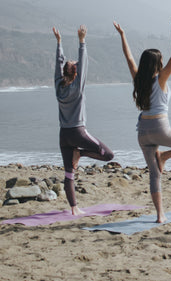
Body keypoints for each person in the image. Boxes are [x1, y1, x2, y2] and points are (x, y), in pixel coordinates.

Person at [114, 14, 171, 223]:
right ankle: (166, 156)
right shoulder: (161, 79)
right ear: (158, 63)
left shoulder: (138, 80)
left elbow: (128, 58)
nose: (165, 63)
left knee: (154, 175)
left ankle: (160, 215)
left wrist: (122, 35)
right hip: (160, 129)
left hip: (142, 133)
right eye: (161, 61)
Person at [53, 25, 115, 215]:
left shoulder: (58, 86)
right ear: (76, 73)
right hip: (78, 132)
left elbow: (58, 63)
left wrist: (59, 43)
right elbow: (84, 62)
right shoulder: (78, 87)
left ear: (64, 73)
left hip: (64, 135)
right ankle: (80, 154)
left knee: (68, 173)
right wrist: (82, 41)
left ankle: (74, 208)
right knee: (108, 155)